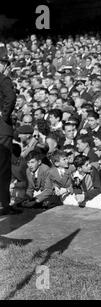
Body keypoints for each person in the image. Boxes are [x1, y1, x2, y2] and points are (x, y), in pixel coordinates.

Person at [0, 46, 20, 215]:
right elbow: (11, 97)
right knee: (3, 168)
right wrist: (4, 116)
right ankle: (4, 205)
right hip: (1, 129)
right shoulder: (3, 79)